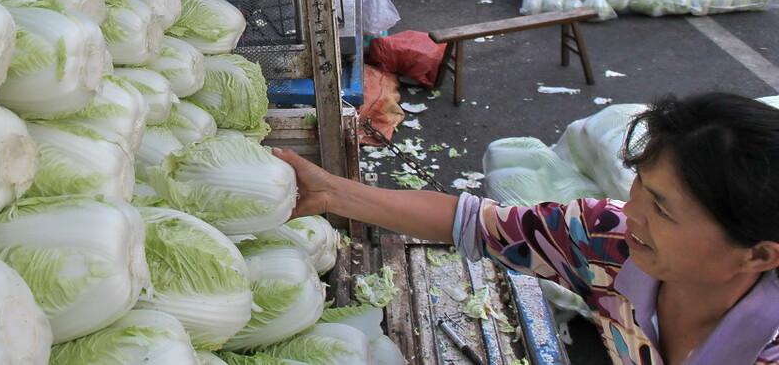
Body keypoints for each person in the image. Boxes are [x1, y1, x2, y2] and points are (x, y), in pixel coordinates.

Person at [273, 91, 779, 365]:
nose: (635, 210)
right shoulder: (606, 240)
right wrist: (335, 193)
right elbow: (470, 222)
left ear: (759, 255)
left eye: (664, 209)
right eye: (641, 184)